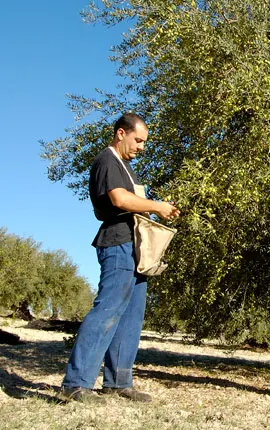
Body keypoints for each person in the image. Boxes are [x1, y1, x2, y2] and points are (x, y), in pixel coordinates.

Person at [60, 113, 180, 403]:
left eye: (144, 142)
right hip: (117, 244)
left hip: (136, 249)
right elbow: (119, 199)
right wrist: (158, 206)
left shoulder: (126, 166)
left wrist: (155, 208)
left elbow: (134, 201)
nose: (141, 147)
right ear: (120, 133)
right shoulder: (107, 161)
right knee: (108, 310)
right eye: (138, 140)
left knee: (131, 317)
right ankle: (76, 384)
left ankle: (118, 382)